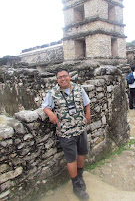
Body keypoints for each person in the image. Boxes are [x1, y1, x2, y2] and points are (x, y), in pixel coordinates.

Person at [42, 69, 91, 200]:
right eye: (59, 78)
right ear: (57, 80)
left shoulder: (78, 88)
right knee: (71, 158)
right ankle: (75, 185)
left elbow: (87, 103)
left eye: (65, 76)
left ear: (69, 76)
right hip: (65, 132)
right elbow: (45, 106)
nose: (63, 79)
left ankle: (80, 177)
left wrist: (88, 114)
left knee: (82, 153)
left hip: (80, 128)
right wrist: (50, 113)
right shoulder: (53, 93)